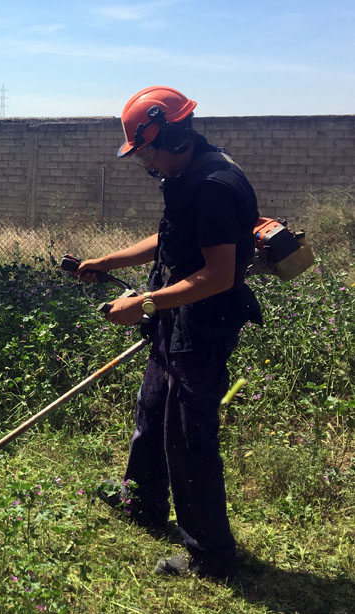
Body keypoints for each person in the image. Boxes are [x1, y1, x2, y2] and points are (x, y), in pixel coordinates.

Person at [75, 86, 262, 580]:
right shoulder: (193, 171)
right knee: (153, 410)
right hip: (176, 319)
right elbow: (173, 237)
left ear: (173, 137)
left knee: (188, 435)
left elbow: (220, 274)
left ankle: (211, 556)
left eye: (146, 153)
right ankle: (143, 503)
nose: (146, 165)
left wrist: (144, 302)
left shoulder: (214, 185)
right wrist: (108, 260)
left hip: (203, 326)